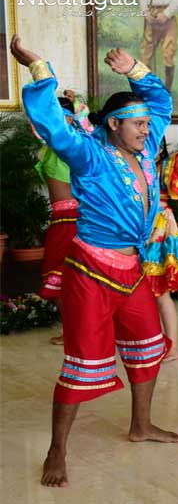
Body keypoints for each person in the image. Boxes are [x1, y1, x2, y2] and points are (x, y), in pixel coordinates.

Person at [13, 35, 178, 488]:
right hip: (91, 271)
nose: (147, 129)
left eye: (147, 123)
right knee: (83, 361)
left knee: (149, 349)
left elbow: (162, 100)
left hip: (133, 270)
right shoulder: (90, 156)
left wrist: (136, 69)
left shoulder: (146, 151)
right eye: (137, 124)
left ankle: (141, 425)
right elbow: (51, 123)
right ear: (112, 126)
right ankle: (56, 449)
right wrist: (39, 68)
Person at [141, 117, 178, 362]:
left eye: (152, 142)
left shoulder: (166, 166)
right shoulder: (130, 165)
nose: (147, 146)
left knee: (159, 290)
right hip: (135, 228)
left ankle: (172, 345)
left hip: (158, 229)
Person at [34, 98, 85, 346]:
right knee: (64, 278)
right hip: (64, 218)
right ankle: (74, 331)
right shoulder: (52, 148)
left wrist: (78, 105)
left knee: (67, 278)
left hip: (72, 219)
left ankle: (74, 332)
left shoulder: (73, 147)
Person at [139, 0, 178, 91]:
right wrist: (145, 13)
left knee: (169, 52)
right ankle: (148, 89)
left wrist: (166, 14)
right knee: (146, 53)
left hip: (168, 15)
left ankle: (167, 91)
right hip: (150, 14)